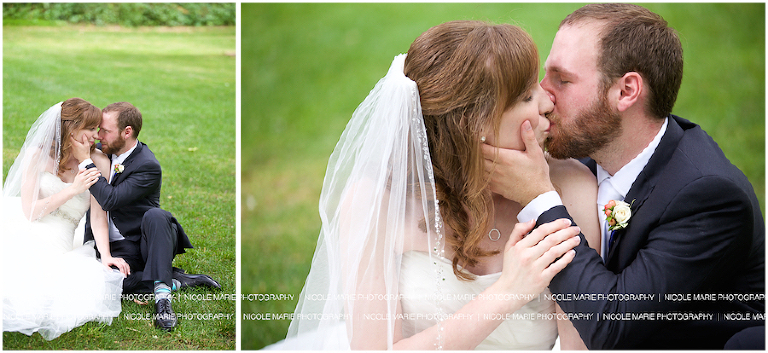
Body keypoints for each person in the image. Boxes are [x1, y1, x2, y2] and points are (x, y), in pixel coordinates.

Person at [273, 21, 600, 350]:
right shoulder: (373, 201)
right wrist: (507, 293)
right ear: (476, 125)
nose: (548, 103)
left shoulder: (569, 190)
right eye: (527, 95)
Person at [483, 3, 765, 349]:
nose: (543, 96)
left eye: (562, 80)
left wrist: (538, 198)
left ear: (627, 91)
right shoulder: (584, 147)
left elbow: (612, 327)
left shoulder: (710, 198)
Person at [72, 102, 221, 332]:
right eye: (98, 130)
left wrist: (85, 162)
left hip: (144, 244)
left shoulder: (147, 166)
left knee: (156, 215)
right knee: (105, 284)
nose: (99, 136)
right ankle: (174, 279)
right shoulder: (103, 152)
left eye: (105, 131)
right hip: (111, 246)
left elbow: (109, 200)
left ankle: (163, 300)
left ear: (127, 132)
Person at [3, 98, 127, 340]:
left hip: (63, 237)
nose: (96, 135)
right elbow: (29, 212)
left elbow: (98, 217)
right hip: (31, 226)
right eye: (90, 129)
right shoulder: (37, 155)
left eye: (97, 129)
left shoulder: (99, 162)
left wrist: (106, 255)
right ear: (71, 129)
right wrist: (72, 190)